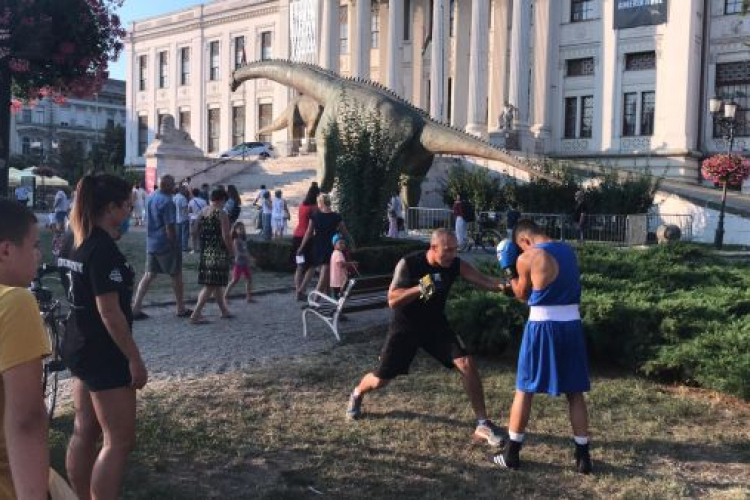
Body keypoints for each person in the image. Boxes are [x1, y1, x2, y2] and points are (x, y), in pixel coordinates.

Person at [345, 229, 509, 447]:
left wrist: (509, 286)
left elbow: (484, 281)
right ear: (433, 248)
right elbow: (393, 299)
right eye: (447, 250)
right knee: (381, 379)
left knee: (466, 362)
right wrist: (421, 288)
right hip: (405, 327)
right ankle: (357, 393)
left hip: (435, 326)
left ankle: (483, 423)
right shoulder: (409, 263)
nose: (452, 254)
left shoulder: (455, 265)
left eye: (455, 249)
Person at [61, 174, 148, 499]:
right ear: (111, 208)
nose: (129, 212)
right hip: (103, 352)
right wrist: (134, 359)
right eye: (127, 206)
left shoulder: (74, 237)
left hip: (79, 344)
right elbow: (110, 313)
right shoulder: (102, 249)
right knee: (118, 441)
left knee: (85, 430)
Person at [492, 219, 592, 473]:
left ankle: (511, 454)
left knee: (524, 389)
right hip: (571, 324)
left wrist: (508, 269)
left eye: (520, 247)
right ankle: (583, 458)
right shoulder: (568, 251)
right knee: (575, 392)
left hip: (542, 325)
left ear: (524, 241)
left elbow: (521, 293)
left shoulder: (529, 257)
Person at [0, 199, 50, 500]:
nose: (39, 255)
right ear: (6, 250)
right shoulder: (14, 303)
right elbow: (26, 420)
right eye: (34, 245)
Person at [131, 175, 192, 320]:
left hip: (152, 242)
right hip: (165, 244)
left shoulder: (151, 197)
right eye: (173, 185)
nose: (175, 187)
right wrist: (174, 243)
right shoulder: (167, 202)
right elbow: (169, 226)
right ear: (169, 186)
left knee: (148, 275)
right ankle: (180, 308)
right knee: (176, 275)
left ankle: (135, 308)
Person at [191, 188, 234, 323]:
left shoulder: (203, 211)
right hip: (218, 252)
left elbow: (194, 230)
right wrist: (232, 252)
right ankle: (196, 314)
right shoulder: (222, 214)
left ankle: (224, 310)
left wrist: (197, 245)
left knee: (215, 283)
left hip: (206, 251)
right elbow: (226, 236)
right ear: (222, 199)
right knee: (211, 285)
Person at [297, 193, 352, 295]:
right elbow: (345, 232)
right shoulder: (336, 217)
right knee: (324, 271)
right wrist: (351, 242)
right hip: (329, 246)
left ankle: (302, 289)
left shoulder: (315, 216)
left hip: (317, 244)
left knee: (312, 267)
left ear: (320, 203)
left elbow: (308, 233)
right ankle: (317, 297)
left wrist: (301, 247)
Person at [293, 183, 320, 301]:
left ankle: (298, 290)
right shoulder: (314, 208)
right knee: (312, 265)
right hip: (307, 239)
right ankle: (301, 290)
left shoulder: (302, 206)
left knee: (299, 266)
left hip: (296, 237)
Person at [224, 221, 254, 303]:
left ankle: (249, 297)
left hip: (245, 263)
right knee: (234, 280)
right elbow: (237, 253)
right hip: (239, 263)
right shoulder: (236, 240)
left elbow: (245, 250)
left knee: (249, 279)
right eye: (239, 229)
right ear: (235, 230)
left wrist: (248, 256)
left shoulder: (243, 239)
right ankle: (225, 296)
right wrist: (247, 255)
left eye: (243, 228)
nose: (242, 230)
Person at [329, 233, 358, 299]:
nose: (342, 245)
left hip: (336, 281)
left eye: (343, 243)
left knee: (339, 299)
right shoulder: (338, 253)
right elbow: (341, 264)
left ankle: (340, 307)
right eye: (340, 243)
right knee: (341, 297)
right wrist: (351, 263)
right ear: (334, 245)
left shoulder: (334, 253)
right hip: (340, 281)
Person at [188, 188, 208, 253]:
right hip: (202, 219)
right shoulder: (203, 201)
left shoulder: (191, 201)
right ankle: (200, 248)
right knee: (201, 234)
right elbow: (206, 211)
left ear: (193, 193)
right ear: (199, 193)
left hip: (193, 219)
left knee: (193, 235)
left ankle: (194, 249)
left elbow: (190, 211)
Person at [173, 185, 190, 252]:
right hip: (184, 218)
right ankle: (184, 247)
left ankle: (178, 246)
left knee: (178, 234)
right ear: (182, 190)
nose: (186, 191)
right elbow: (186, 209)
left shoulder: (174, 197)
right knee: (185, 234)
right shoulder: (183, 198)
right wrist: (190, 212)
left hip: (177, 218)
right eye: (185, 189)